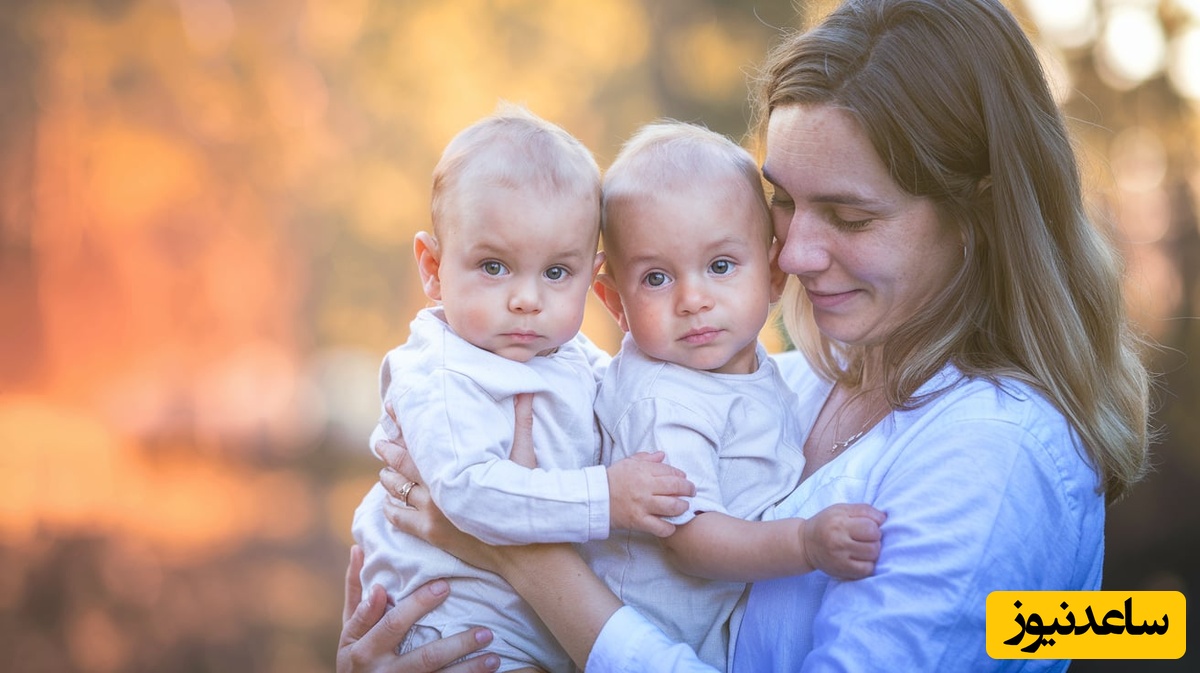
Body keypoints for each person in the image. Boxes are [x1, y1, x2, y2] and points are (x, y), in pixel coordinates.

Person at [352, 0, 1152, 669]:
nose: (792, 255)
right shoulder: (792, 383)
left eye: (850, 216)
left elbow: (1106, 629)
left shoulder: (998, 455)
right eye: (785, 204)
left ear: (978, 216)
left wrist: (525, 557)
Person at [349, 104, 693, 673]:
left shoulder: (567, 354)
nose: (527, 299)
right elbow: (468, 492)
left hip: (541, 618)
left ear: (591, 274)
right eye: (494, 266)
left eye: (556, 272)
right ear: (433, 268)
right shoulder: (442, 373)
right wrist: (606, 497)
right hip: (452, 624)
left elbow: (620, 406)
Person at [582, 119, 885, 670]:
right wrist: (804, 543)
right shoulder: (664, 403)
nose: (693, 299)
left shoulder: (749, 369)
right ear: (615, 302)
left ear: (773, 274)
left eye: (720, 266)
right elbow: (692, 541)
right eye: (656, 278)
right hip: (637, 636)